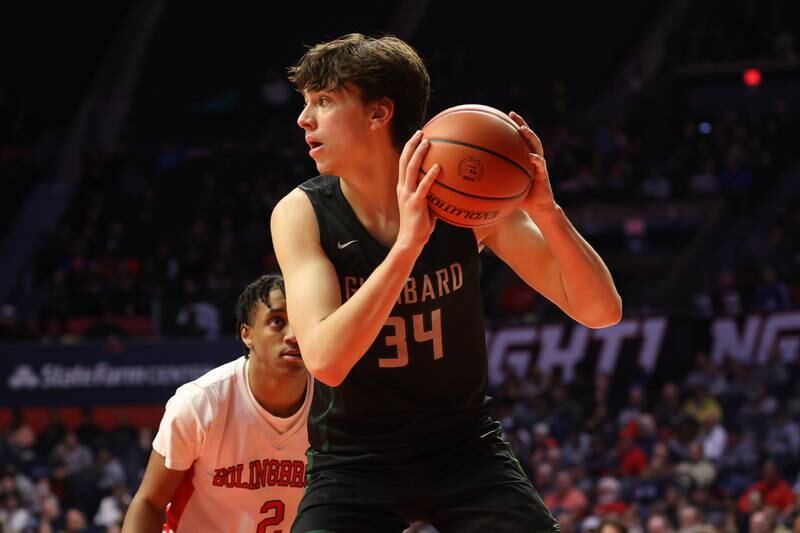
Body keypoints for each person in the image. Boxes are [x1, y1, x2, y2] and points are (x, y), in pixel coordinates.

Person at [271, 33, 621, 532]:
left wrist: (546, 209)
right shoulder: (301, 213)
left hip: (465, 448)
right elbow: (326, 362)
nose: (304, 119)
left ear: (378, 113)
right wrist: (407, 246)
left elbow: (601, 311)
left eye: (324, 102)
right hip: (354, 461)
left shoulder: (465, 200)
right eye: (306, 103)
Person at [122, 274, 311, 533]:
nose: (293, 335)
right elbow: (149, 503)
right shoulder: (200, 403)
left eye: (301, 320)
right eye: (277, 321)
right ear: (247, 334)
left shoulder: (334, 402)